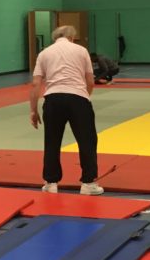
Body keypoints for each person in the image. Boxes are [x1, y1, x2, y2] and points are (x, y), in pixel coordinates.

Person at [29, 25, 103, 196]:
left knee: (52, 141)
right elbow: (90, 81)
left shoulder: (44, 53)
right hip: (78, 98)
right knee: (87, 140)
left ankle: (51, 182)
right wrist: (84, 96)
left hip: (53, 100)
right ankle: (88, 183)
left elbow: (35, 84)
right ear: (71, 37)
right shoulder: (81, 50)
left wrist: (33, 111)